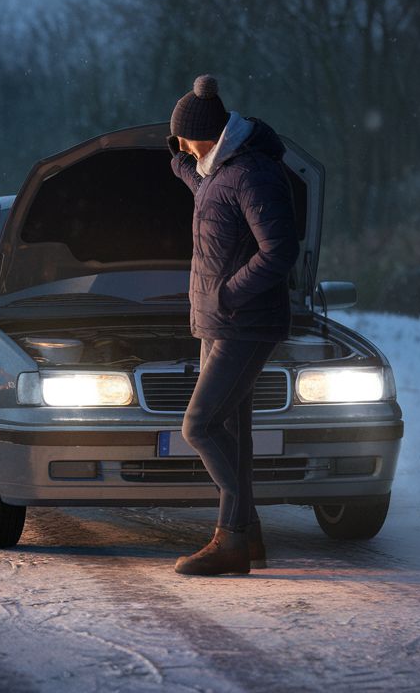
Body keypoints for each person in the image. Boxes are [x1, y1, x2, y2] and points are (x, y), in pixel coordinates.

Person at [166, 74, 300, 576]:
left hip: (243, 322)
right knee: (233, 433)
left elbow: (279, 251)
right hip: (222, 323)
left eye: (182, 138)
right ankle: (249, 537)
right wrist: (180, 167)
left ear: (203, 133)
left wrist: (227, 295)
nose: (179, 144)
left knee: (199, 425)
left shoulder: (253, 174)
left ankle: (232, 536)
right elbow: (211, 195)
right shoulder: (221, 172)